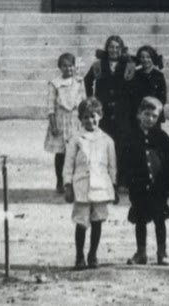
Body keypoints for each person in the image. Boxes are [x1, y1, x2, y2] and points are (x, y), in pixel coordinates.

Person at [121, 96, 169, 265]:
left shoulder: (162, 138)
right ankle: (141, 252)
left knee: (160, 220)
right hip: (138, 186)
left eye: (154, 116)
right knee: (140, 220)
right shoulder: (130, 137)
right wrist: (124, 181)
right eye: (146, 114)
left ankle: (162, 252)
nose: (150, 119)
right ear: (139, 114)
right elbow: (124, 161)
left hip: (158, 187)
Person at [65, 98, 117, 270]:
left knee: (97, 221)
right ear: (80, 119)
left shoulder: (107, 140)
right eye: (86, 117)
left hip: (101, 187)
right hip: (82, 187)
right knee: (81, 222)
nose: (90, 120)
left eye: (93, 116)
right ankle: (79, 255)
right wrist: (67, 185)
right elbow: (68, 163)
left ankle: (93, 254)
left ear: (100, 116)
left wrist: (114, 186)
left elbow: (112, 166)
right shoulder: (75, 139)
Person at [45, 52, 86, 194]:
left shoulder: (79, 81)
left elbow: (84, 102)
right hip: (61, 120)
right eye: (64, 66)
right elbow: (50, 107)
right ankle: (60, 182)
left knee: (75, 152)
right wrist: (53, 125)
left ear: (74, 67)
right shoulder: (54, 84)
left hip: (75, 119)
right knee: (61, 153)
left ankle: (73, 182)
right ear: (60, 67)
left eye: (70, 66)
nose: (68, 69)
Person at [128, 45, 168, 128]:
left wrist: (153, 109)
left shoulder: (158, 76)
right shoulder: (135, 74)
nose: (145, 60)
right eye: (142, 57)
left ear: (153, 58)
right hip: (139, 114)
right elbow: (131, 95)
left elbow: (162, 97)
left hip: (154, 114)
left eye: (148, 57)